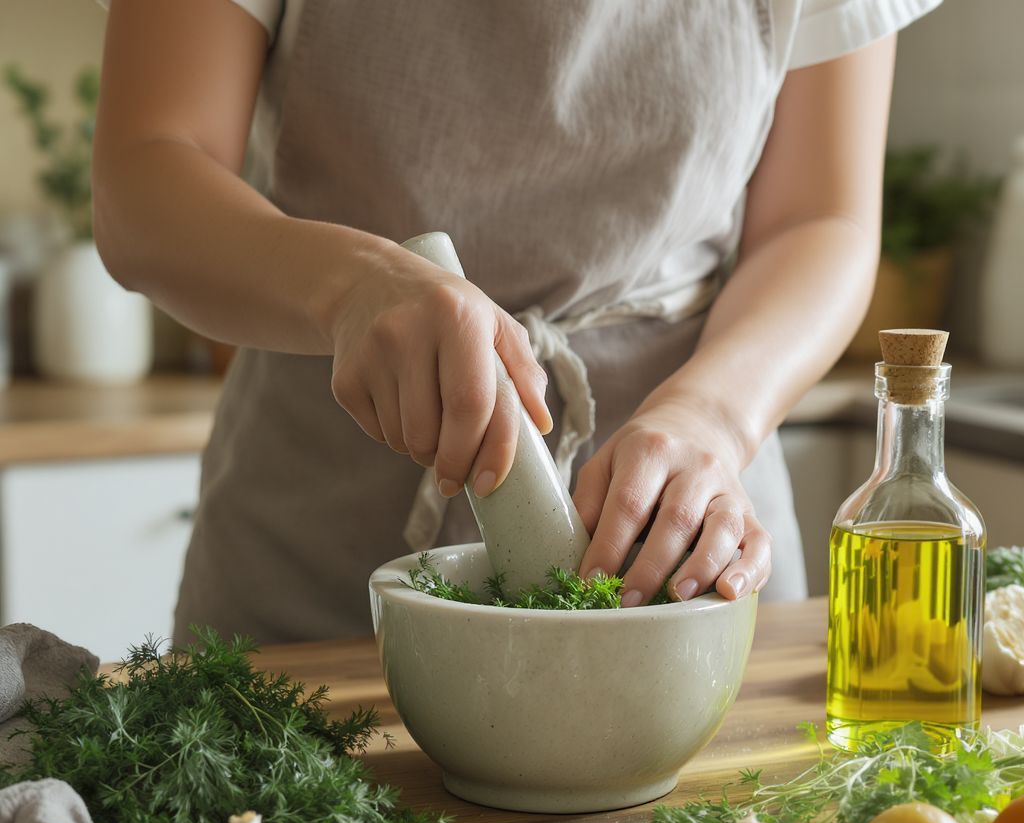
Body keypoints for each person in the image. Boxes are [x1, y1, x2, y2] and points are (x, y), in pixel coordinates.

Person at [91, 0, 941, 645]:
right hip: (316, 548)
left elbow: (819, 221)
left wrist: (712, 418)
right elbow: (146, 177)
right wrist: (353, 286)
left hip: (687, 531)